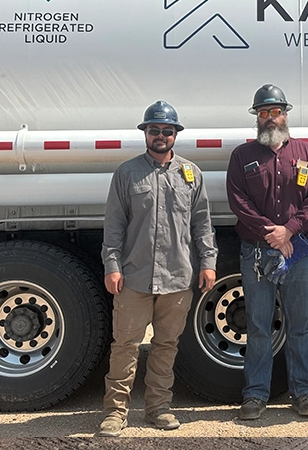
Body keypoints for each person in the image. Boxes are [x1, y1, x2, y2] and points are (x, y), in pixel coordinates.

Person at [98, 100, 218, 437]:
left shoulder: (190, 174)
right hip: (134, 277)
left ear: (175, 135)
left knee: (166, 347)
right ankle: (115, 412)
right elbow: (114, 226)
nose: (161, 136)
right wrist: (112, 265)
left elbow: (202, 225)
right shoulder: (127, 173)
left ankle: (158, 408)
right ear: (146, 133)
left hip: (178, 278)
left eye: (167, 131)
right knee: (125, 346)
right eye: (155, 130)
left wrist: (208, 262)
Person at [226, 84, 308, 420]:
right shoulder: (243, 155)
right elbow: (238, 201)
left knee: (300, 325)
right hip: (256, 251)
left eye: (276, 111)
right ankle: (255, 395)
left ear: (286, 114)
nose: (270, 118)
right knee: (257, 325)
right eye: (264, 113)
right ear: (257, 117)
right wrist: (271, 234)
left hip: (297, 251)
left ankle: (304, 393)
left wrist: (290, 231)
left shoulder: (307, 153)